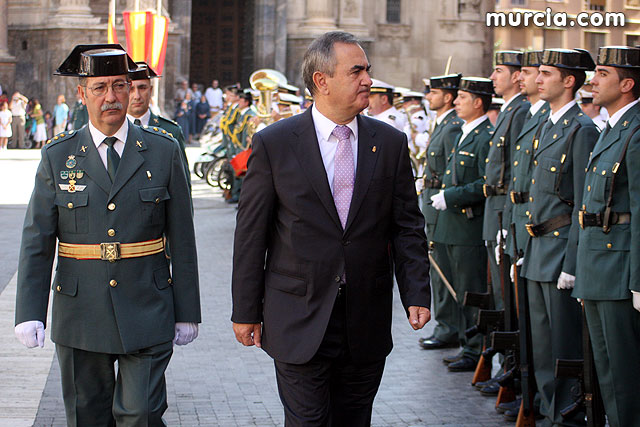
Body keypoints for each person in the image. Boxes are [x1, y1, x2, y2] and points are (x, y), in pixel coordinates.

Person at [231, 31, 431, 426]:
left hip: (365, 320)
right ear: (321, 81)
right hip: (297, 316)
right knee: (308, 421)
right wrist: (245, 310)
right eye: (356, 71)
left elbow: (407, 225)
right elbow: (251, 234)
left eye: (367, 71)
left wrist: (416, 292)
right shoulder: (275, 143)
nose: (368, 81)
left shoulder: (389, 143)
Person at [14, 44, 200, 426]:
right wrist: (29, 311)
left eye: (119, 85)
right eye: (99, 87)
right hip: (81, 313)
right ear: (82, 94)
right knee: (88, 417)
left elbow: (183, 237)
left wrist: (188, 310)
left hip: (148, 307)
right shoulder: (57, 156)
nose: (111, 97)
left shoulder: (162, 152)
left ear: (132, 89)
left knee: (141, 413)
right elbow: (38, 238)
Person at [520, 48, 599, 427]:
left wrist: (572, 263)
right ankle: (549, 412)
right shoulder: (547, 125)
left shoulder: (581, 130)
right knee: (541, 347)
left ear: (569, 81)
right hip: (537, 249)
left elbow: (583, 203)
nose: (538, 79)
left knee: (563, 345)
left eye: (546, 73)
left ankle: (567, 415)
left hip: (559, 251)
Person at [573, 45, 640, 427]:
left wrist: (638, 281)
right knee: (608, 372)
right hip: (598, 267)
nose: (592, 81)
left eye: (602, 74)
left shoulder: (635, 131)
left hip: (620, 270)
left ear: (627, 83)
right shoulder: (613, 128)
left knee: (625, 376)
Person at [430, 77, 494, 372]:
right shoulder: (465, 132)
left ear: (478, 103)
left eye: (462, 98)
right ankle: (467, 345)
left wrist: (451, 196)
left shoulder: (484, 136)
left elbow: (486, 183)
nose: (455, 101)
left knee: (471, 292)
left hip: (468, 227)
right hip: (451, 226)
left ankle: (476, 350)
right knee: (457, 290)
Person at [418, 73, 463, 351]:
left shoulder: (453, 126)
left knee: (443, 268)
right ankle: (446, 324)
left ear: (447, 96)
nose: (428, 97)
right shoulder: (441, 123)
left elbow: (452, 171)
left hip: (441, 205)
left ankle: (449, 327)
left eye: (433, 93)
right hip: (431, 201)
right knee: (437, 267)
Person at [126, 62, 190, 187]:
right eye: (131, 89)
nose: (137, 96)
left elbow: (182, 185)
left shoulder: (171, 131)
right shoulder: (113, 130)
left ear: (150, 90)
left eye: (142, 88)